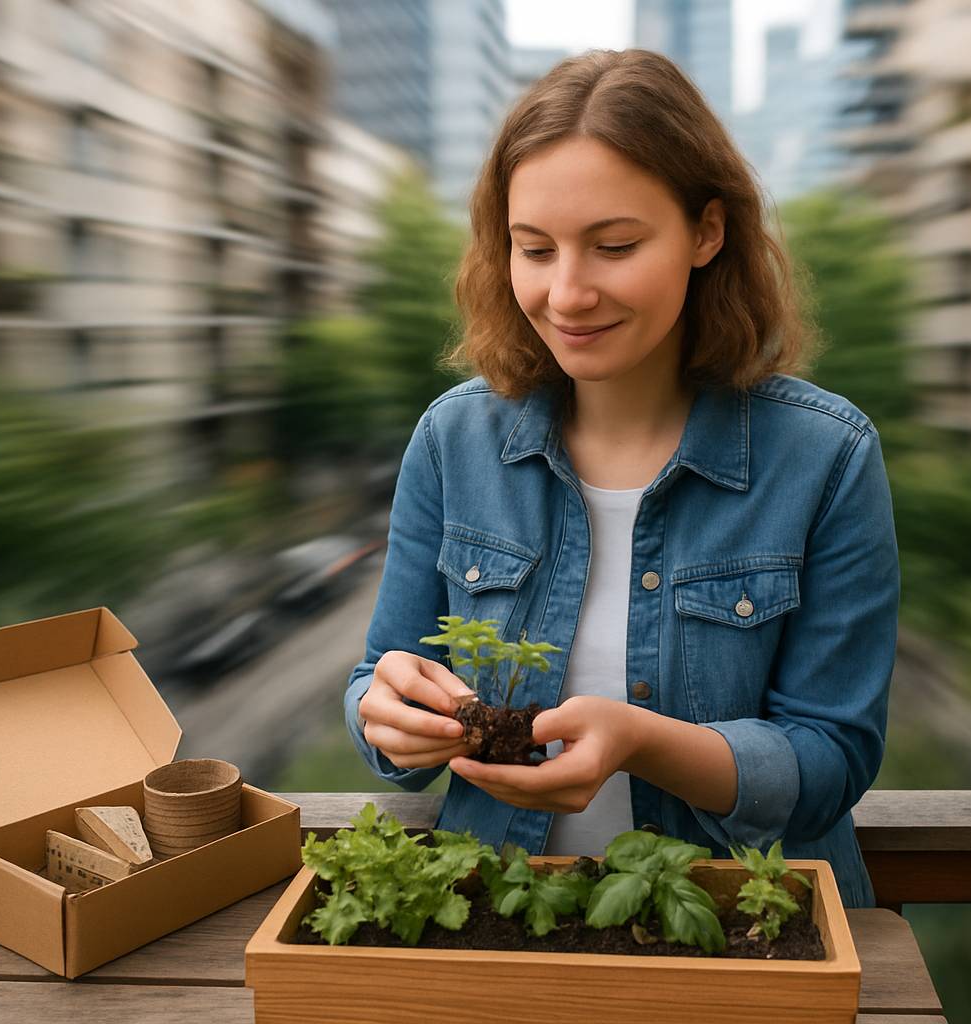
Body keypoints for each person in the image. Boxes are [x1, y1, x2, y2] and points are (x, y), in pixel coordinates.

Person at [344, 49, 898, 907]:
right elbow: (380, 677)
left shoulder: (825, 456)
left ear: (707, 232)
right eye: (534, 249)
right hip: (500, 922)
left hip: (740, 934)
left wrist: (642, 743)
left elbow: (833, 760)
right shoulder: (453, 440)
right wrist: (384, 715)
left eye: (614, 246)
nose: (567, 293)